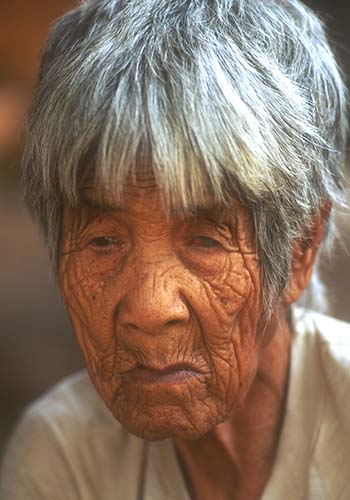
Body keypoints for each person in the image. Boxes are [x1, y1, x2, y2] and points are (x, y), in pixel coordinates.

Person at [1, 0, 349, 498]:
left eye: (205, 239)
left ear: (300, 249)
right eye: (103, 240)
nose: (150, 308)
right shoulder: (63, 454)